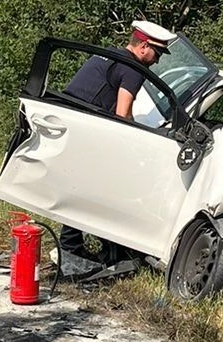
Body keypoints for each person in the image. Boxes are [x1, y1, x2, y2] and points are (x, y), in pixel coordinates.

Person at [57, 20, 174, 266]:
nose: (157, 61)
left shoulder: (108, 54)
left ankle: (79, 247)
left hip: (70, 121)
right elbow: (123, 113)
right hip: (88, 130)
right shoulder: (133, 69)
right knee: (96, 188)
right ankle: (75, 250)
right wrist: (141, 139)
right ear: (144, 46)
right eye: (157, 53)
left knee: (81, 187)